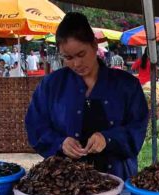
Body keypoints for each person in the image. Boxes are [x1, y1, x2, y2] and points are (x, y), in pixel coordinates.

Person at [25, 12, 149, 180]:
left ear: (94, 44)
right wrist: (60, 143)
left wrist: (108, 139)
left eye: (81, 54)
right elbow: (36, 126)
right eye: (67, 57)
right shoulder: (51, 85)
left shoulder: (126, 85)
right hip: (65, 183)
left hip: (118, 179)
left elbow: (137, 128)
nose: (76, 63)